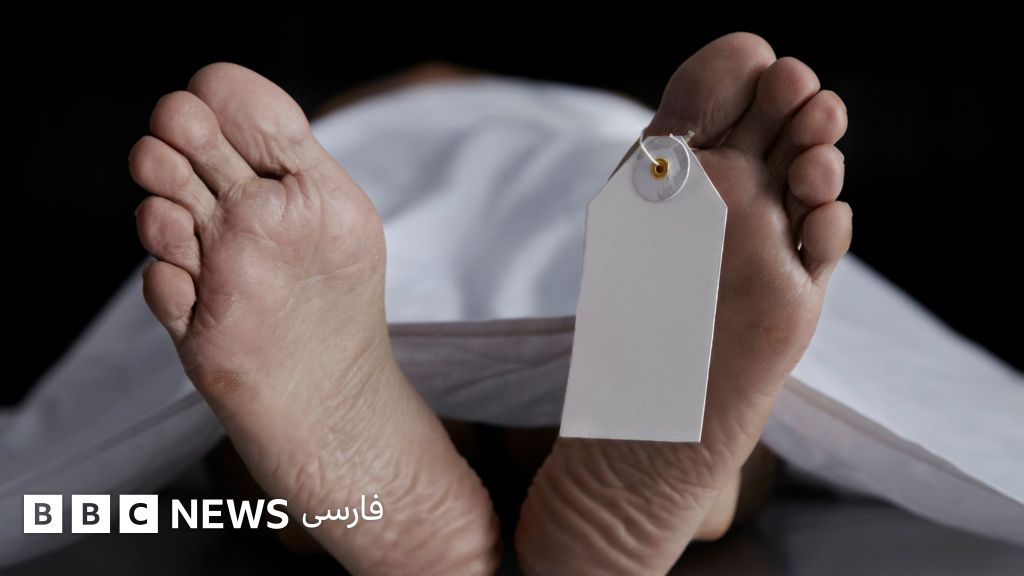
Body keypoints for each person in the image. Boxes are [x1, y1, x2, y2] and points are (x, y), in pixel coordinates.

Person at [128, 32, 850, 575]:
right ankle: (709, 484)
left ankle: (311, 502)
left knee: (242, 312)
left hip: (367, 161)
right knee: (712, 256)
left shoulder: (366, 116)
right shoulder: (593, 111)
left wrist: (366, 108)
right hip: (592, 140)